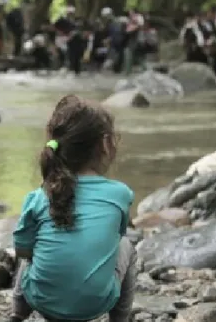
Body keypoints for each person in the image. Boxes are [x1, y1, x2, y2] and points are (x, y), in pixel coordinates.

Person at [10, 95, 135, 322]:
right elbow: (116, 237)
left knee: (29, 247)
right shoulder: (120, 194)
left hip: (42, 301)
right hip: (95, 305)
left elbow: (22, 252)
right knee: (125, 245)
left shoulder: (38, 197)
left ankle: (17, 314)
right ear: (106, 144)